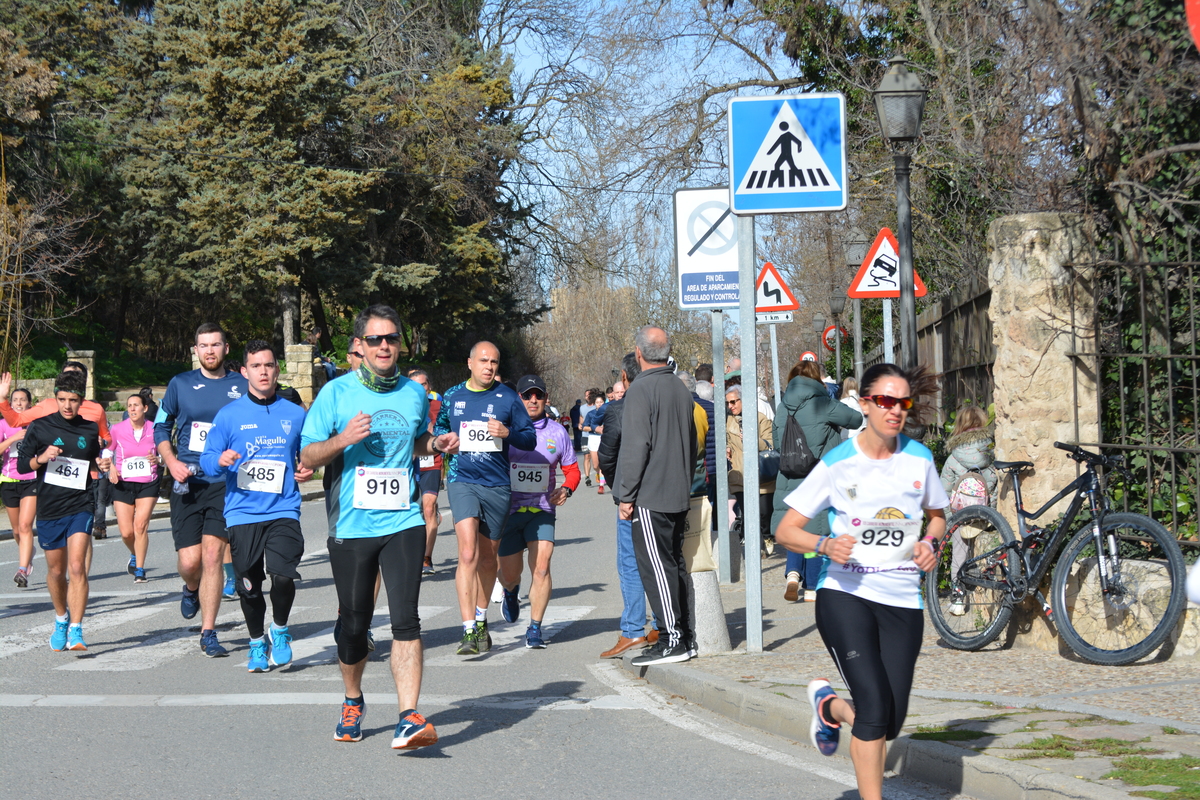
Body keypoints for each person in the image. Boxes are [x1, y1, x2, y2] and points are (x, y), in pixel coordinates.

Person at [774, 363, 948, 800]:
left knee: (889, 721)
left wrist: (929, 542)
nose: (895, 410)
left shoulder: (919, 459)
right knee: (872, 707)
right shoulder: (839, 463)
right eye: (886, 401)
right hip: (845, 595)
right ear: (865, 404)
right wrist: (825, 546)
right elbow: (786, 529)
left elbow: (939, 517)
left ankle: (829, 706)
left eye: (902, 402)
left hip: (903, 600)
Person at [300, 304, 443, 749]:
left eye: (393, 338)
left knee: (407, 620)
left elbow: (418, 439)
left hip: (403, 520)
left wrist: (435, 443)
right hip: (352, 525)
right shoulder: (337, 393)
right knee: (355, 624)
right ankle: (352, 699)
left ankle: (408, 717)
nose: (386, 346)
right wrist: (343, 440)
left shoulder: (414, 393)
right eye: (376, 339)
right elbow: (307, 456)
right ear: (359, 346)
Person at [202, 341, 314, 673]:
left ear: (277, 369)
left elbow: (308, 455)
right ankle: (255, 642)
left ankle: (279, 629)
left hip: (283, 508)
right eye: (256, 366)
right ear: (244, 372)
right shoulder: (229, 415)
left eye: (268, 365)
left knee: (282, 576)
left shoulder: (295, 414)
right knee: (248, 585)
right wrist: (220, 461)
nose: (263, 372)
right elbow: (207, 461)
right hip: (242, 512)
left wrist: (306, 467)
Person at [435, 341, 536, 657]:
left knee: (489, 558)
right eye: (483, 361)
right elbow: (438, 432)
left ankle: (481, 620)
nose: (489, 366)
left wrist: (507, 433)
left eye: (494, 361)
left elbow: (529, 438)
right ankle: (468, 629)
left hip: (496, 486)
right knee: (467, 553)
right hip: (462, 480)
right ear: (469, 363)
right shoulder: (452, 396)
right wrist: (442, 442)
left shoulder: (508, 398)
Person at [154, 322, 247, 658]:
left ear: (226, 348)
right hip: (188, 481)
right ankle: (190, 588)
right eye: (203, 345)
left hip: (224, 483)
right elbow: (161, 426)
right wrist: (171, 460)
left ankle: (209, 631)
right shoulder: (180, 384)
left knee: (212, 557)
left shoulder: (242, 384)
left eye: (216, 345)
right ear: (195, 350)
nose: (209, 351)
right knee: (190, 561)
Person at [617, 326, 697, 666]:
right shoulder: (680, 389)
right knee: (674, 564)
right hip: (677, 489)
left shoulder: (640, 390)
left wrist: (625, 494)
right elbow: (692, 443)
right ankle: (684, 636)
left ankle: (672, 638)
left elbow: (636, 447)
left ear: (638, 353)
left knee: (656, 568)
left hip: (651, 493)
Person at [19, 370, 112, 650]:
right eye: (62, 399)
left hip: (80, 505)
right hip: (49, 507)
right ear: (55, 398)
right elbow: (24, 466)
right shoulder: (40, 427)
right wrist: (42, 458)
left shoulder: (89, 428)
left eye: (73, 400)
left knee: (76, 568)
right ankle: (61, 618)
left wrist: (101, 465)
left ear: (81, 400)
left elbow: (92, 462)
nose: (67, 405)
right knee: (57, 572)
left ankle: (76, 629)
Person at [496, 374, 580, 648]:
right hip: (508, 511)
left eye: (538, 395)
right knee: (509, 575)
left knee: (541, 569)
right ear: (517, 399)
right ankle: (510, 592)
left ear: (546, 399)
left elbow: (572, 469)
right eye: (527, 395)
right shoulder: (504, 430)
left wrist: (566, 489)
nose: (533, 400)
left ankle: (535, 628)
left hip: (542, 510)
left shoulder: (557, 432)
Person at [772, 361, 862, 603]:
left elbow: (776, 438)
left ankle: (792, 574)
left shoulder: (782, 406)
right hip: (819, 474)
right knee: (816, 527)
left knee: (795, 524)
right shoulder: (822, 403)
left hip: (790, 473)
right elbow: (855, 419)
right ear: (817, 380)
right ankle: (812, 586)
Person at [0, 362, 111, 539]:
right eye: (67, 376)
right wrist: (2, 400)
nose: (68, 404)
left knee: (79, 553)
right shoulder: (47, 406)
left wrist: (101, 450)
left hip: (83, 487)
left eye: (76, 377)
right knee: (57, 567)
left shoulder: (95, 409)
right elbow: (16, 421)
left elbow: (106, 436)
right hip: (51, 492)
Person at [597, 352, 659, 657]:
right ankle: (661, 623)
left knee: (630, 562)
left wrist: (620, 489)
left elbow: (607, 457)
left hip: (631, 500)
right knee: (661, 561)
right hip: (662, 495)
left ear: (625, 376)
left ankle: (634, 629)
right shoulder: (664, 400)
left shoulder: (619, 409)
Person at [938, 404, 997, 615]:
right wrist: (993, 514)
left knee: (959, 555)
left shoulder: (953, 457)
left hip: (960, 516)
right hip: (984, 514)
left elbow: (943, 491)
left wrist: (949, 520)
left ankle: (958, 598)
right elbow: (994, 483)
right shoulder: (990, 452)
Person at [109, 392, 161, 582]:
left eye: (136, 405)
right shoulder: (117, 429)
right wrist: (111, 467)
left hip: (148, 483)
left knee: (140, 526)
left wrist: (159, 459)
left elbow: (166, 453)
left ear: (145, 408)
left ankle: (139, 568)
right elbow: (108, 450)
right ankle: (134, 553)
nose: (132, 409)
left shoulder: (155, 429)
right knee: (126, 532)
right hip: (123, 483)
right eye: (129, 405)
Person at [725, 385, 775, 554]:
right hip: (739, 475)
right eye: (728, 403)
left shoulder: (760, 419)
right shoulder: (729, 421)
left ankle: (767, 536)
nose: (730, 406)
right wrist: (727, 448)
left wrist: (753, 438)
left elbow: (770, 444)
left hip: (761, 476)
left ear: (743, 400)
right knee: (747, 513)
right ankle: (754, 547)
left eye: (733, 402)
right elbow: (727, 442)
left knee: (763, 514)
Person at [406, 368, 442, 575]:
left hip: (431, 463)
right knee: (407, 510)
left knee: (428, 509)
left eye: (424, 384)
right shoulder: (401, 405)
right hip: (408, 465)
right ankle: (408, 555)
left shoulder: (439, 406)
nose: (421, 388)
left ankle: (426, 558)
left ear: (429, 387)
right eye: (416, 385)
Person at [1, 388, 37, 587]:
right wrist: (13, 438)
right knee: (16, 530)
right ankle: (28, 551)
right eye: (15, 400)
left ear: (29, 404)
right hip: (9, 480)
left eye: (23, 400)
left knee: (25, 526)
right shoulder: (3, 425)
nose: (19, 403)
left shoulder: (37, 425)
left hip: (31, 480)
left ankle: (22, 569)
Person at [582, 394, 606, 492]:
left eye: (601, 402)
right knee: (596, 465)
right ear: (594, 404)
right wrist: (596, 428)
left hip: (604, 438)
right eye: (597, 402)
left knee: (602, 463)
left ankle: (601, 485)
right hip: (593, 438)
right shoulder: (591, 414)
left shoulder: (608, 412)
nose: (599, 404)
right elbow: (584, 427)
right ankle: (597, 472)